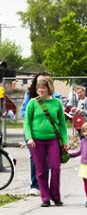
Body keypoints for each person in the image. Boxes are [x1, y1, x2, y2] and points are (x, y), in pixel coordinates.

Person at [24, 77, 69, 207]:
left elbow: (62, 125)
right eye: (39, 88)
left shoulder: (57, 103)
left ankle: (55, 196)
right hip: (36, 141)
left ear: (49, 88)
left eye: (43, 88)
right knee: (41, 170)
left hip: (53, 140)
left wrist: (65, 140)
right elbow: (27, 122)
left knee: (55, 167)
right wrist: (29, 137)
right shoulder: (33, 102)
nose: (41, 90)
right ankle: (45, 198)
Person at [21, 72, 61, 196]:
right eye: (39, 84)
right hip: (33, 133)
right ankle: (35, 186)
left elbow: (59, 116)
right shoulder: (31, 97)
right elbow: (24, 113)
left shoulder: (56, 98)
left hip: (50, 136)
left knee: (49, 162)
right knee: (36, 159)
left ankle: (47, 189)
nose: (41, 88)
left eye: (43, 84)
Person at [69, 123, 87, 207]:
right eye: (84, 131)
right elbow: (80, 152)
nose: (86, 133)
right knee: (85, 183)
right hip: (84, 166)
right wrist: (70, 155)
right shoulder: (83, 141)